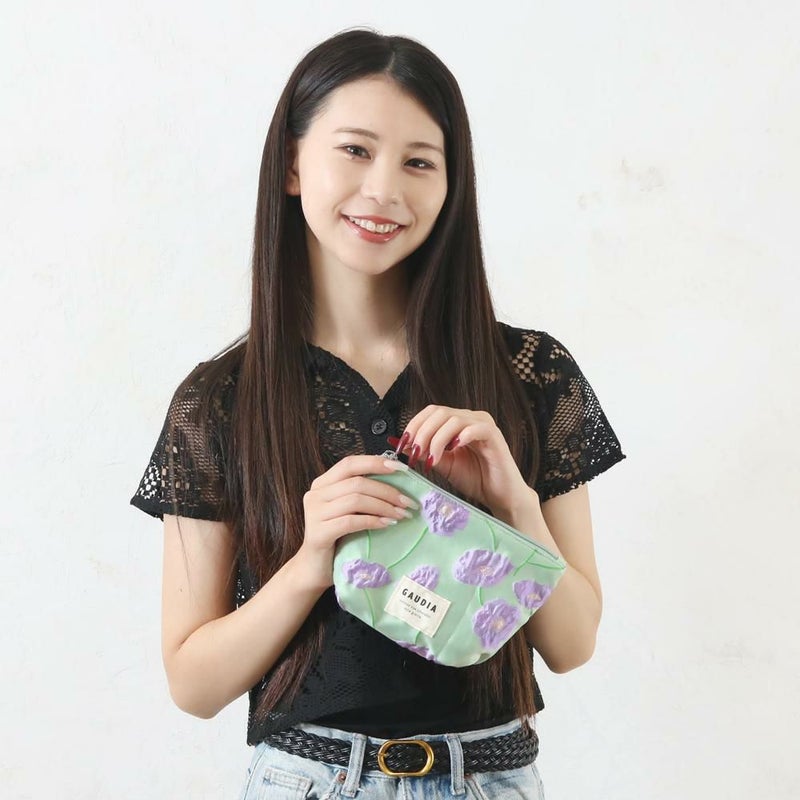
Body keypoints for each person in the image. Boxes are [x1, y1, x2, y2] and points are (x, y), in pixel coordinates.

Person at [130, 28, 625, 799]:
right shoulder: (221, 398)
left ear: (451, 184)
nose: (384, 190)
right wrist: (310, 564)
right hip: (306, 778)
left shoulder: (530, 372)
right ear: (293, 164)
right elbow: (193, 683)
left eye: (418, 162)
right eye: (355, 150)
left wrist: (514, 506)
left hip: (491, 776)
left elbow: (573, 643)